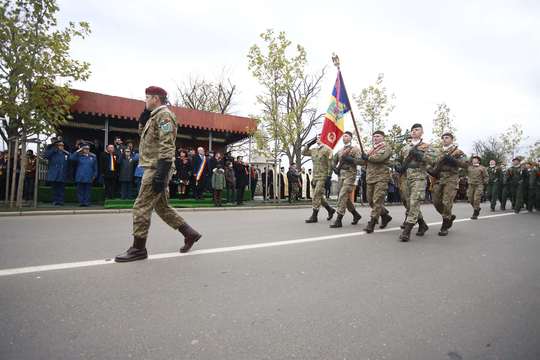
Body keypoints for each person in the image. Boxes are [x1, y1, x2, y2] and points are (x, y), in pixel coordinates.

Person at [115, 86, 202, 262]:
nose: (144, 101)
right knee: (161, 207)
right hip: (153, 166)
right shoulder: (154, 116)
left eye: (147, 98)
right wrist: (143, 119)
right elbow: (146, 138)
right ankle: (189, 233)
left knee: (140, 207)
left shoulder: (164, 115)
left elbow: (167, 145)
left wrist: (161, 174)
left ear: (155, 98)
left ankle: (138, 249)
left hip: (157, 167)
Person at [397, 124, 434, 241]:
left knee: (414, 202)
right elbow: (398, 160)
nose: (414, 131)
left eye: (417, 129)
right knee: (408, 203)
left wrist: (420, 155)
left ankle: (407, 230)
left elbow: (433, 160)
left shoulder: (427, 146)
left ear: (422, 132)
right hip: (406, 177)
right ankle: (422, 224)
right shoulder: (405, 148)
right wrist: (396, 165)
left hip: (419, 176)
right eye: (412, 130)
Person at [429, 132, 468, 236]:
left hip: (451, 178)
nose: (445, 139)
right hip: (438, 178)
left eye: (447, 138)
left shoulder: (457, 151)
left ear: (452, 139)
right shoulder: (438, 152)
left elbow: (465, 164)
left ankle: (445, 224)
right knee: (436, 201)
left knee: (447, 201)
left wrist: (453, 160)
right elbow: (431, 162)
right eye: (443, 138)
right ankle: (449, 216)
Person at [359, 130, 393, 234]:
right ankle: (385, 215)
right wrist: (361, 158)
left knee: (377, 200)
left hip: (381, 177)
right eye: (374, 137)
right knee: (370, 201)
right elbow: (363, 161)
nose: (375, 138)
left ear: (383, 137)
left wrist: (367, 157)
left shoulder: (386, 147)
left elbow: (380, 158)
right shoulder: (371, 150)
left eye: (377, 136)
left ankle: (372, 223)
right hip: (370, 178)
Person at [330, 131, 362, 228]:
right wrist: (334, 168)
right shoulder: (340, 151)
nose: (344, 138)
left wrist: (351, 160)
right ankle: (356, 215)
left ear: (351, 138)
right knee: (345, 198)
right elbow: (333, 160)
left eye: (346, 136)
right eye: (343, 136)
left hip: (350, 174)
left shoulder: (355, 149)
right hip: (341, 175)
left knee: (343, 195)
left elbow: (361, 161)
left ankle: (339, 219)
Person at [302, 134, 336, 223]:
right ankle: (330, 209)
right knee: (319, 196)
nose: (317, 139)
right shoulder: (314, 150)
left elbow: (330, 164)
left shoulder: (327, 150)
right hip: (315, 177)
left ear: (324, 139)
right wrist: (309, 144)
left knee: (316, 195)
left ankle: (314, 216)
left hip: (323, 176)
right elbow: (304, 153)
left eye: (319, 137)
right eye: (316, 138)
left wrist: (329, 176)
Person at [44, 140, 69, 206]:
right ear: (57, 146)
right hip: (54, 174)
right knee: (54, 188)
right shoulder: (53, 152)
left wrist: (65, 151)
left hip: (62, 174)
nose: (62, 146)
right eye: (60, 145)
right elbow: (46, 155)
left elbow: (72, 157)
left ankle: (61, 201)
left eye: (63, 145)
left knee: (61, 189)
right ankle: (55, 201)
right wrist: (53, 149)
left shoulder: (65, 153)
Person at [466, 155, 488, 219]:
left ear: (479, 161)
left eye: (475, 159)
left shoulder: (482, 168)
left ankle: (475, 214)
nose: (474, 160)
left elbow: (486, 176)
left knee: (476, 199)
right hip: (471, 185)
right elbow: (464, 169)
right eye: (473, 159)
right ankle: (477, 208)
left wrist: (484, 183)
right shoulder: (469, 167)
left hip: (479, 185)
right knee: (470, 199)